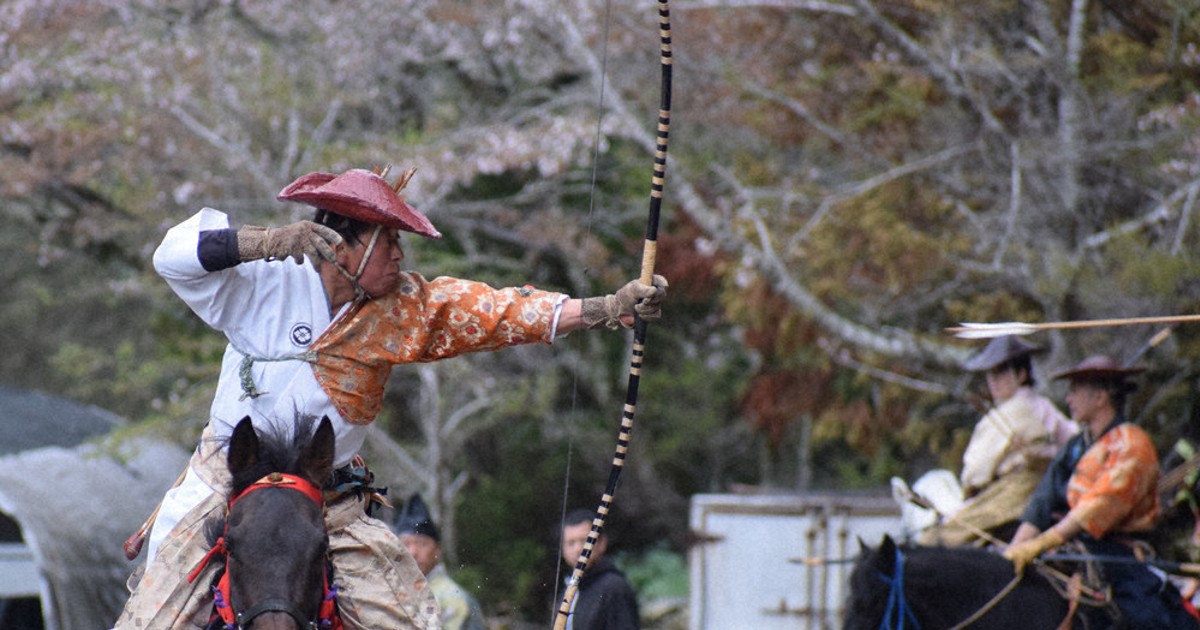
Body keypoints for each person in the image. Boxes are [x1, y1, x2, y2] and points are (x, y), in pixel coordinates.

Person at [115, 166, 667, 629]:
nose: (400, 256)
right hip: (224, 484)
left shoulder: (401, 308)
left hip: (327, 499)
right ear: (341, 244)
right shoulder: (263, 276)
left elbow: (491, 312)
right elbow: (172, 255)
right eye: (389, 242)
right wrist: (266, 241)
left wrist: (601, 308)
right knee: (150, 618)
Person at [1003, 355, 1200, 629]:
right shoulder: (1074, 446)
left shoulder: (1133, 443)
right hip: (1066, 548)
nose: (1068, 398)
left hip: (1118, 557)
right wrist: (1014, 553)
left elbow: (1097, 506)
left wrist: (1040, 543)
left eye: (1075, 391)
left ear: (1100, 397)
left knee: (1148, 620)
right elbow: (1042, 502)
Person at [895, 335, 1076, 545]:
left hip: (1012, 497)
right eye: (990, 374)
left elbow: (976, 471)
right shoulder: (1046, 407)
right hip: (1049, 494)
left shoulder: (1008, 413)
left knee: (934, 539)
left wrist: (971, 491)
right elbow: (1072, 442)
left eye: (1000, 373)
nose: (993, 381)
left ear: (1021, 374)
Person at [393, 493, 486, 630]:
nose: (413, 552)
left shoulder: (455, 600)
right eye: (406, 544)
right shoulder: (386, 591)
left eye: (422, 544)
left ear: (437, 550)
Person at [558, 508, 640, 630]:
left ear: (602, 543)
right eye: (571, 543)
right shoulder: (569, 587)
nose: (578, 549)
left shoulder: (613, 587)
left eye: (585, 541)